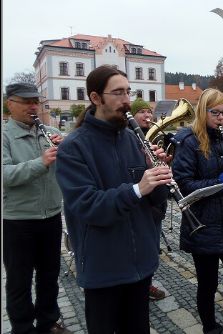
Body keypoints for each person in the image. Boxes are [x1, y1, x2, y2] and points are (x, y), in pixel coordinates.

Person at [55, 65, 173, 334]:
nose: (126, 100)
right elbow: (87, 206)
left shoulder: (133, 139)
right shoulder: (73, 147)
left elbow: (156, 203)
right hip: (103, 268)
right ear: (96, 98)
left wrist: (160, 176)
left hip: (141, 265)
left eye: (128, 92)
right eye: (118, 93)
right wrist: (137, 188)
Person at [171, 88, 223, 334]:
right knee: (208, 284)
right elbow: (183, 184)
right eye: (215, 112)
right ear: (202, 111)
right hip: (203, 223)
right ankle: (210, 328)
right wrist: (221, 181)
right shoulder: (188, 142)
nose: (220, 118)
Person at [3, 83, 71, 334]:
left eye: (36, 102)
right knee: (19, 279)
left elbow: (69, 168)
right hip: (18, 219)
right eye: (26, 102)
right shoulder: (4, 136)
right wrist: (40, 162)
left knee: (49, 274)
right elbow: (6, 175)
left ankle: (48, 321)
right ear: (10, 103)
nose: (33, 107)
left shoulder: (49, 131)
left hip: (50, 214)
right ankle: (21, 327)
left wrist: (65, 151)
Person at [130, 98, 168, 301]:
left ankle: (148, 283)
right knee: (141, 247)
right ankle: (139, 286)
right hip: (140, 199)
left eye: (149, 112)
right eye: (142, 112)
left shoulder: (154, 135)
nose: (147, 116)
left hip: (157, 199)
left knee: (152, 246)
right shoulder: (130, 137)